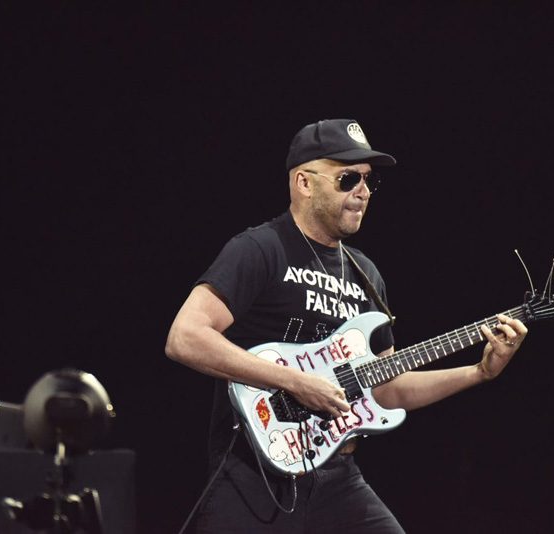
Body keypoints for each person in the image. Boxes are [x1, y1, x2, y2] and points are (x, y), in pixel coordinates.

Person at [165, 119, 528, 533]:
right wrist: (295, 382)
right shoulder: (260, 248)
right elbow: (185, 338)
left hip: (337, 476)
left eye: (368, 182)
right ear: (304, 182)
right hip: (252, 472)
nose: (362, 192)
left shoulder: (367, 276)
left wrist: (479, 372)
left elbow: (388, 389)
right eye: (347, 178)